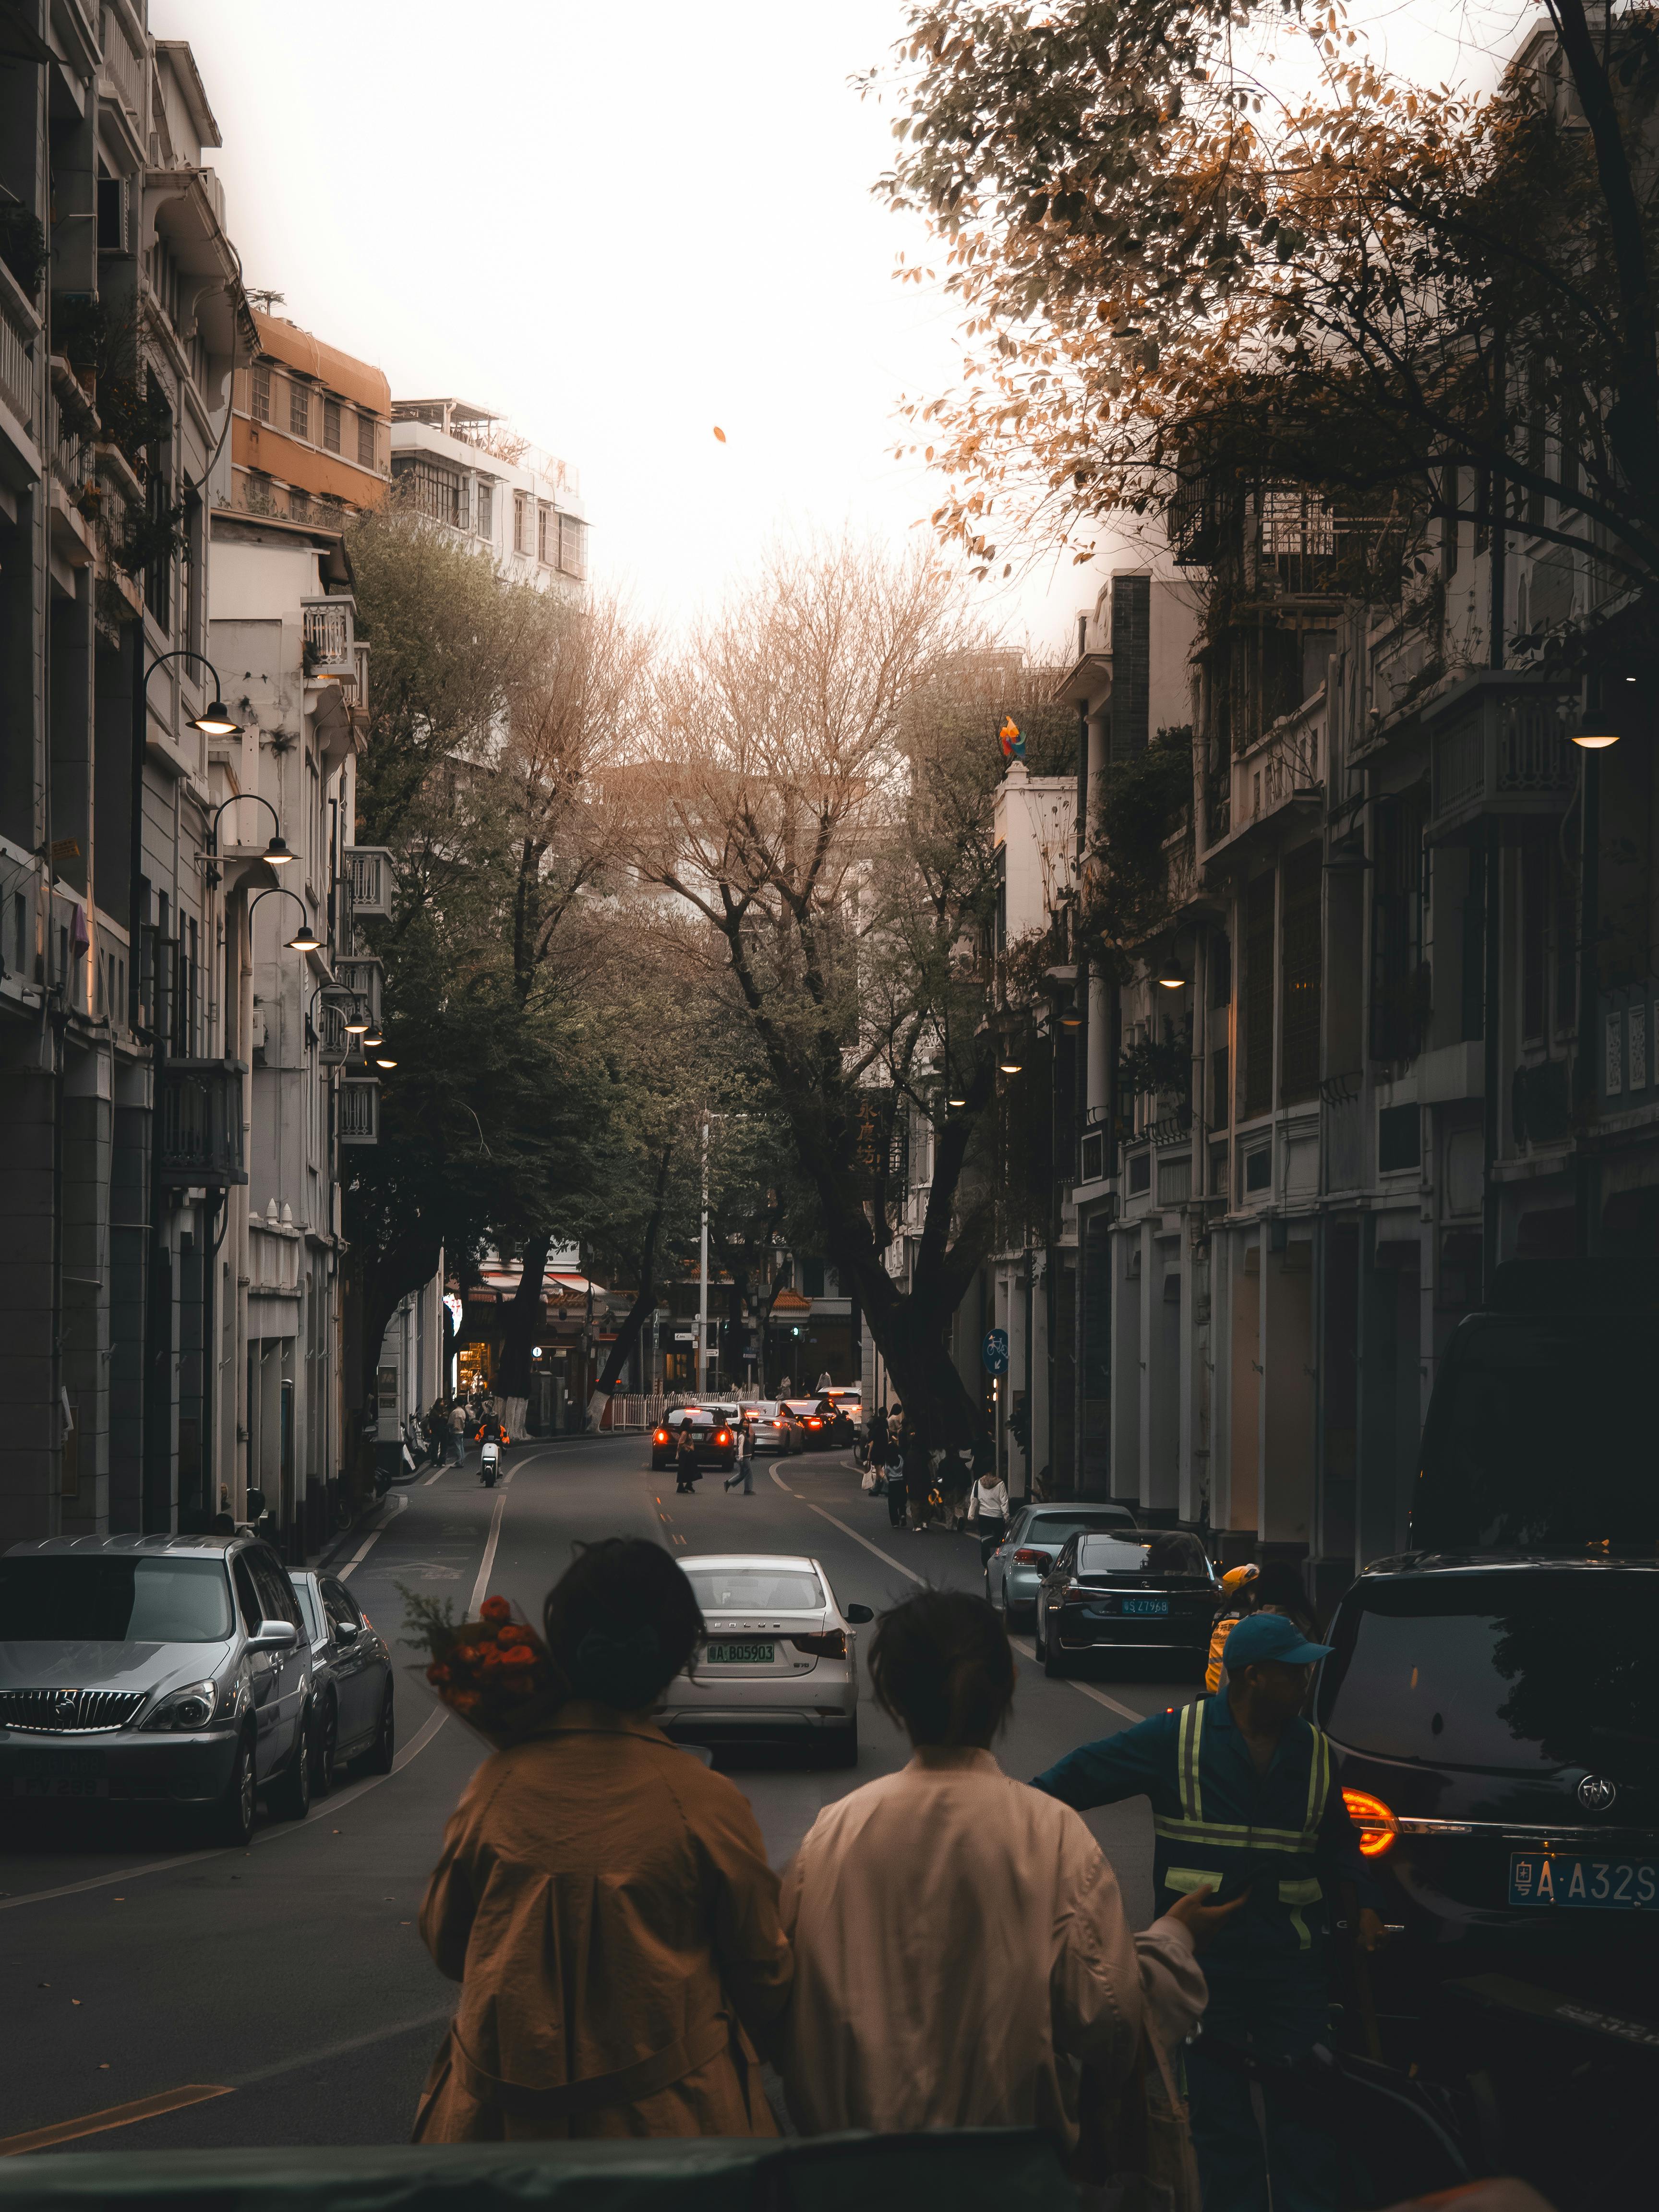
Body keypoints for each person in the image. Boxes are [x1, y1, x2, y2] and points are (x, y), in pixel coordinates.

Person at [778, 1589, 1216, 2147]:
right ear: (1009, 1682)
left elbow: (780, 2005)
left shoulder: (831, 1836)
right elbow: (1113, 2025)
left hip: (854, 2173)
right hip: (1011, 2176)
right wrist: (1174, 1940)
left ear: (892, 1697)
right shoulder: (1053, 1836)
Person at [413, 1539, 792, 2141]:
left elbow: (448, 1942)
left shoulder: (494, 1787)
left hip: (497, 2142)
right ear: (673, 1659)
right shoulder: (703, 1803)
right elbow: (764, 1978)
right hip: (673, 2139)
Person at [1033, 1610, 1388, 2212]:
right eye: (1294, 1674)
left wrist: (1368, 1906)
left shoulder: (1318, 1755)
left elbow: (1339, 1846)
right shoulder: (1176, 1738)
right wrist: (1015, 1828)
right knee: (1220, 2128)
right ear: (1253, 1678)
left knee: (1307, 2120)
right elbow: (1072, 1781)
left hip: (1292, 1970)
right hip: (1203, 1974)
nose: (1306, 1685)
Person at [968, 1466, 1011, 1565]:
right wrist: (1006, 1516)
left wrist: (972, 1514)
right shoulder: (1000, 1483)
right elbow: (1004, 1502)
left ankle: (986, 1566)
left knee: (984, 1542)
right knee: (1001, 1542)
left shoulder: (978, 1483)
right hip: (998, 1517)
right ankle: (999, 1563)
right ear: (994, 1469)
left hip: (984, 1517)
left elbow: (973, 1499)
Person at [938, 1447, 971, 1533]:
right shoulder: (961, 1462)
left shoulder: (943, 1463)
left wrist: (940, 1485)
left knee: (948, 1507)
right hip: (960, 1486)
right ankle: (960, 1517)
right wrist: (967, 1485)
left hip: (947, 1487)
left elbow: (939, 1478)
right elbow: (967, 1475)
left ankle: (949, 1526)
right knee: (959, 1504)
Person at [724, 1416, 755, 1495]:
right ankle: (748, 1490)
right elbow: (740, 1447)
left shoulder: (744, 1434)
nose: (746, 1424)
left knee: (742, 1473)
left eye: (747, 1423)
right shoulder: (742, 1435)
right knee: (748, 1473)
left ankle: (729, 1483)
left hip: (745, 1456)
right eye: (744, 1423)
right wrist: (740, 1457)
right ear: (741, 1424)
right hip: (744, 1457)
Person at [674, 1423, 699, 1495]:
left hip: (688, 1453)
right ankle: (681, 1487)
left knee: (690, 1469)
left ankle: (688, 1484)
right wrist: (688, 1447)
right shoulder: (685, 1433)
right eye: (691, 1424)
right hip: (684, 1453)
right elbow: (680, 1443)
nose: (692, 1425)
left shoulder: (688, 1433)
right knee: (683, 1469)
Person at [448, 1399, 469, 1467]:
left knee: (457, 1446)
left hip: (456, 1431)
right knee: (461, 1446)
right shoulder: (463, 1411)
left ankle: (459, 1462)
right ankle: (462, 1460)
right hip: (462, 1430)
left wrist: (447, 1427)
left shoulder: (455, 1412)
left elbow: (451, 1422)